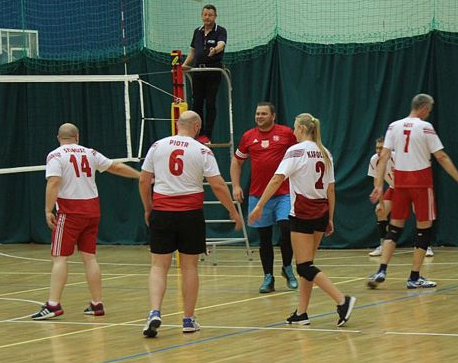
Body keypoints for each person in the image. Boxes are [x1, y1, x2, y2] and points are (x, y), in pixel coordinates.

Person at [139, 111, 242, 338]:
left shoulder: (157, 146)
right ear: (196, 126)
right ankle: (188, 319)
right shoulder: (202, 150)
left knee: (159, 266)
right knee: (189, 267)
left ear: (178, 124)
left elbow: (144, 180)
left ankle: (154, 312)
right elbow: (217, 185)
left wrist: (148, 207)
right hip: (190, 214)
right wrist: (233, 211)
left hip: (162, 211)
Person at [250, 113, 355, 327]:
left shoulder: (296, 151)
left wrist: (260, 205)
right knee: (307, 264)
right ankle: (302, 312)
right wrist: (330, 218)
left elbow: (277, 178)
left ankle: (342, 300)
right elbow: (331, 189)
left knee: (304, 266)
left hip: (302, 212)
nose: (293, 132)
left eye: (295, 128)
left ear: (302, 129)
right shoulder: (325, 152)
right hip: (321, 210)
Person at [31, 123, 141, 320]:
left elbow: (54, 182)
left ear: (58, 138)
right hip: (92, 210)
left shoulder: (55, 155)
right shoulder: (90, 153)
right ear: (77, 137)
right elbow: (115, 166)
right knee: (89, 257)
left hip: (70, 211)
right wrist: (140, 176)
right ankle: (97, 303)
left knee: (59, 257)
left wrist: (48, 210)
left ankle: (53, 304)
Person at [368, 94, 458, 290]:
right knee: (424, 230)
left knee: (394, 228)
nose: (429, 114)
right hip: (421, 182)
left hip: (400, 183)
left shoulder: (393, 126)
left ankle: (381, 270)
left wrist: (378, 185)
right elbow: (441, 156)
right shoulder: (425, 127)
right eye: (429, 110)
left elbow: (383, 157)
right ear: (424, 108)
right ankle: (414, 277)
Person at [231, 102, 299, 293]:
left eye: (263, 113)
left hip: (284, 193)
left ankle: (287, 267)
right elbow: (237, 162)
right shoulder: (248, 136)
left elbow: (299, 156)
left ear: (273, 116)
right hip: (258, 194)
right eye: (257, 113)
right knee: (264, 237)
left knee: (286, 228)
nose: (259, 116)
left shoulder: (286, 133)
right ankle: (268, 277)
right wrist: (236, 185)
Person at [367, 137, 433, 258]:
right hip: (394, 188)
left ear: (388, 148)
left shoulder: (398, 158)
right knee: (380, 211)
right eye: (377, 148)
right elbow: (377, 183)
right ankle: (382, 245)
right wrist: (381, 203)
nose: (378, 151)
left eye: (381, 148)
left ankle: (425, 245)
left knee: (420, 213)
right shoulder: (374, 160)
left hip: (412, 187)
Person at [182, 4, 227, 143]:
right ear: (202, 15)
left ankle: (207, 135)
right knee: (197, 103)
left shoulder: (220, 30)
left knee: (210, 103)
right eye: (205, 14)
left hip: (213, 71)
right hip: (197, 71)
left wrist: (215, 50)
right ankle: (197, 134)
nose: (207, 17)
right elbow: (193, 52)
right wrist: (185, 65)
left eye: (210, 15)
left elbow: (221, 44)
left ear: (215, 16)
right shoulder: (197, 31)